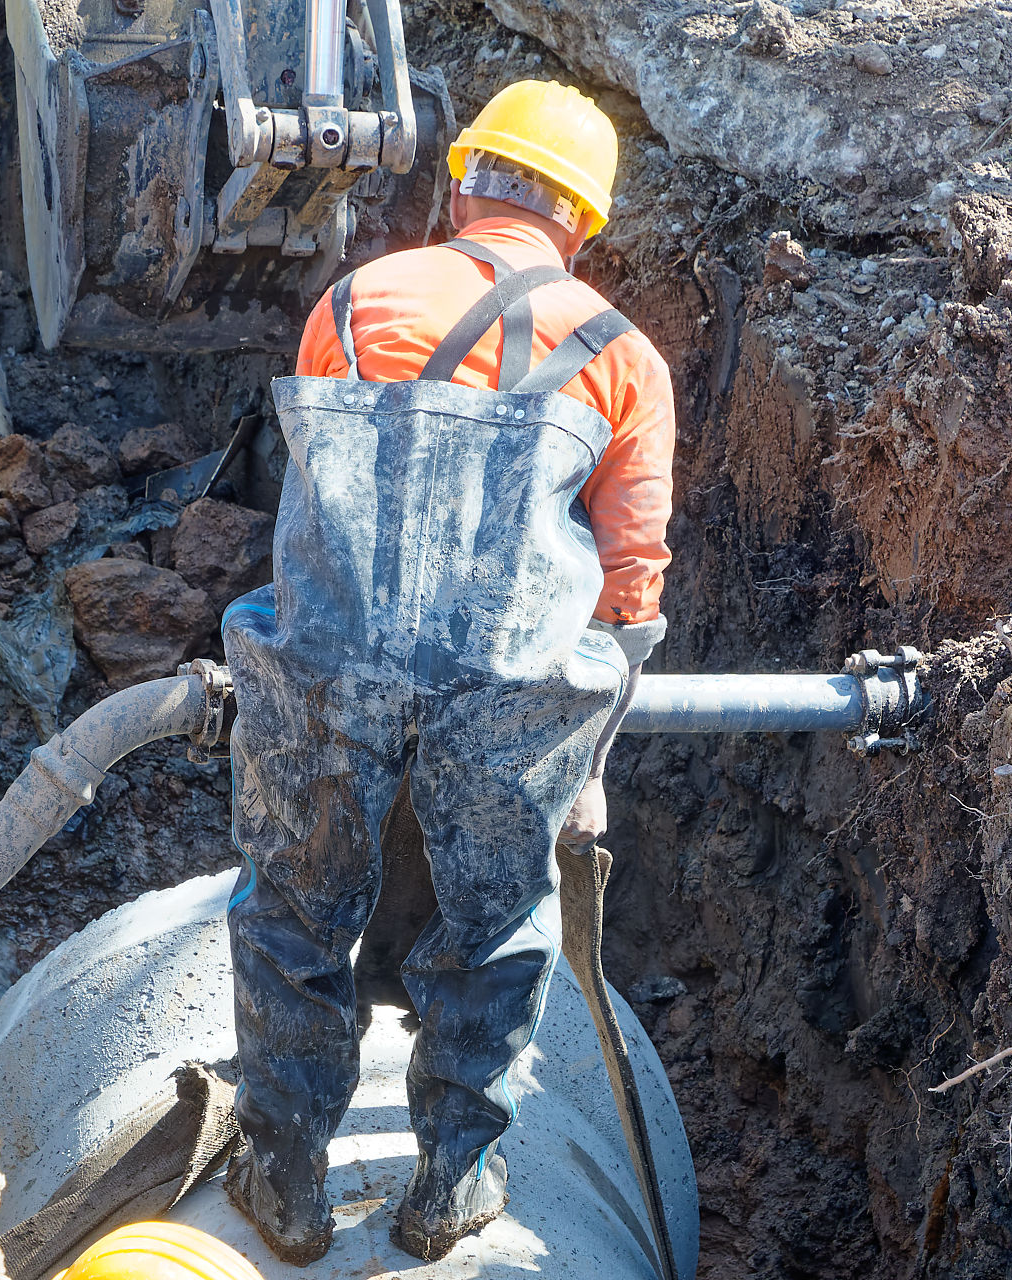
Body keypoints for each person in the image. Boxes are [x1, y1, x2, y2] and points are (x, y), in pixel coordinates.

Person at [218, 79, 675, 1266]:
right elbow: (630, 586)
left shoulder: (360, 298)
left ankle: (284, 1178)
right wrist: (589, 753)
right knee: (498, 923)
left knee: (294, 907)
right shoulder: (628, 359)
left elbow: (314, 489)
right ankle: (454, 1184)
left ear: (464, 179)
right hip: (511, 688)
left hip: (331, 663)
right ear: (585, 221)